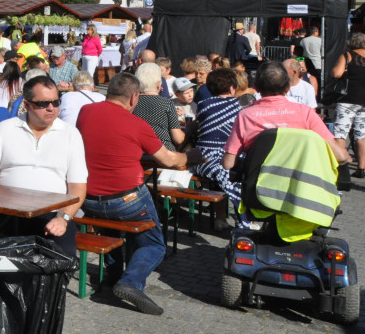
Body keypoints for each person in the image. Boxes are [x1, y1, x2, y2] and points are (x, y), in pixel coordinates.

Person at [75, 72, 194, 315]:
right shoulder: (138, 124)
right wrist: (192, 157)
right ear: (134, 97)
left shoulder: (86, 112)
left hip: (89, 198)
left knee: (110, 227)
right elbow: (169, 159)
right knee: (154, 245)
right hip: (126, 200)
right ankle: (130, 282)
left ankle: (111, 278)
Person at [0, 75, 87, 256]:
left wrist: (63, 218)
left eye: (56, 102)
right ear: (27, 105)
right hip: (8, 213)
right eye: (43, 104)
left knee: (60, 256)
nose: (51, 108)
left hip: (52, 214)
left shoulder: (70, 134)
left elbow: (78, 187)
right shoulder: (5, 129)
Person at [222, 61, 348, 170]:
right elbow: (340, 157)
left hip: (259, 188)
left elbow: (228, 163)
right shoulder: (305, 113)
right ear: (288, 87)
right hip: (298, 188)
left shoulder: (245, 115)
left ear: (256, 88)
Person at [189, 68, 246, 228]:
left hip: (202, 159)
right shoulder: (239, 107)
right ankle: (244, 221)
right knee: (235, 175)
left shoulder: (204, 105)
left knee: (221, 175)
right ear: (232, 87)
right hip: (228, 157)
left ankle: (220, 219)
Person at [331, 33, 365, 176]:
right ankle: (361, 168)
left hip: (348, 99)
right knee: (361, 134)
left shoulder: (347, 55)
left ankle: (341, 166)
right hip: (364, 100)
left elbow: (337, 74)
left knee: (341, 132)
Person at [133, 62, 184, 151]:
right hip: (163, 151)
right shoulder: (166, 103)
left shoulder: (131, 103)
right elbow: (178, 139)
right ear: (158, 84)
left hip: (137, 151)